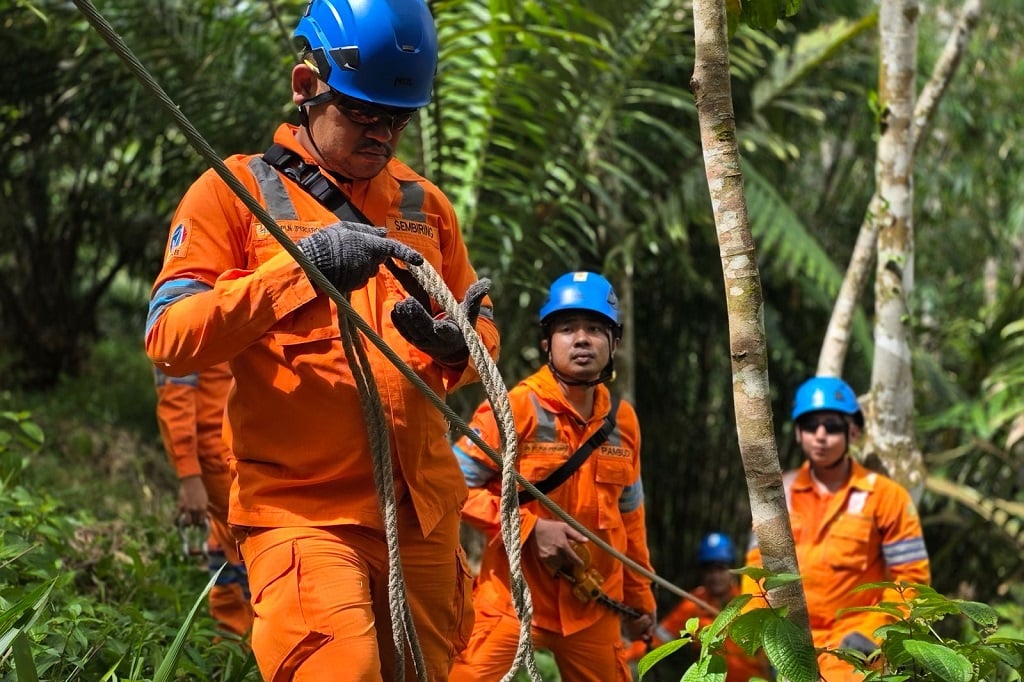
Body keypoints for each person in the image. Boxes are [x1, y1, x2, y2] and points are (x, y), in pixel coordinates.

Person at [144, 0, 500, 678]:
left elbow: (481, 326)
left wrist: (460, 346)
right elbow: (170, 335)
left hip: (422, 516)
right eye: (364, 114)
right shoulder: (233, 193)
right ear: (306, 87)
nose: (383, 137)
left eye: (398, 119)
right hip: (302, 514)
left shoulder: (425, 206)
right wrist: (300, 270)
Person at [449, 271, 656, 682]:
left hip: (593, 603)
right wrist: (529, 529)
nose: (581, 339)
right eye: (567, 329)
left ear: (614, 343)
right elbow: (451, 485)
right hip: (512, 600)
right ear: (547, 342)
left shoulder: (624, 422)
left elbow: (630, 519)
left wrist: (640, 597)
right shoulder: (515, 407)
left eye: (595, 329)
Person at [743, 377, 931, 681]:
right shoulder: (778, 495)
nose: (820, 436)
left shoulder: (886, 496)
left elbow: (912, 579)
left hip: (859, 654)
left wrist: (877, 634)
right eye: (811, 426)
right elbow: (756, 570)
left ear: (852, 431)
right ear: (798, 433)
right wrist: (760, 632)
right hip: (793, 649)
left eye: (831, 426)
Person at [154, 362, 253, 640]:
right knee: (253, 554)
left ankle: (230, 643)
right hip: (224, 457)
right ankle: (253, 648)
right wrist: (189, 476)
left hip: (234, 451)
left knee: (227, 550)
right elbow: (175, 395)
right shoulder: (181, 333)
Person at [626, 533, 771, 681]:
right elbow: (660, 636)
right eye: (709, 570)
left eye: (721, 569)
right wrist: (625, 655)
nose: (715, 577)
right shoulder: (694, 603)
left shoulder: (749, 599)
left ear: (733, 570)